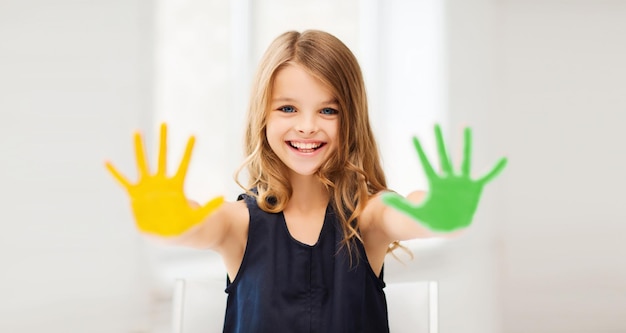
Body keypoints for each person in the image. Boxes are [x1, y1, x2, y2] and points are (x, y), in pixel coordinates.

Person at [105, 30, 507, 333]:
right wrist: (170, 219)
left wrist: (441, 212)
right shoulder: (238, 225)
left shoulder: (368, 218)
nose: (308, 126)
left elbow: (410, 213)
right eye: (288, 108)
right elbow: (198, 224)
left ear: (351, 118)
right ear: (263, 118)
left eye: (328, 110)